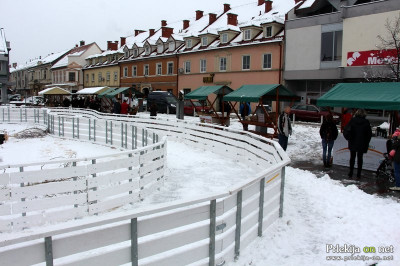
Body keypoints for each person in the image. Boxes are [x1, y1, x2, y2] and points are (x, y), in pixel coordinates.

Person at [345, 109, 372, 179]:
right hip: (362, 143)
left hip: (352, 142)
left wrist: (349, 138)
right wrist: (366, 142)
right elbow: (369, 134)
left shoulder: (352, 120)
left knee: (352, 158)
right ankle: (358, 174)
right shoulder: (366, 122)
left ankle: (350, 172)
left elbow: (346, 130)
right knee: (360, 159)